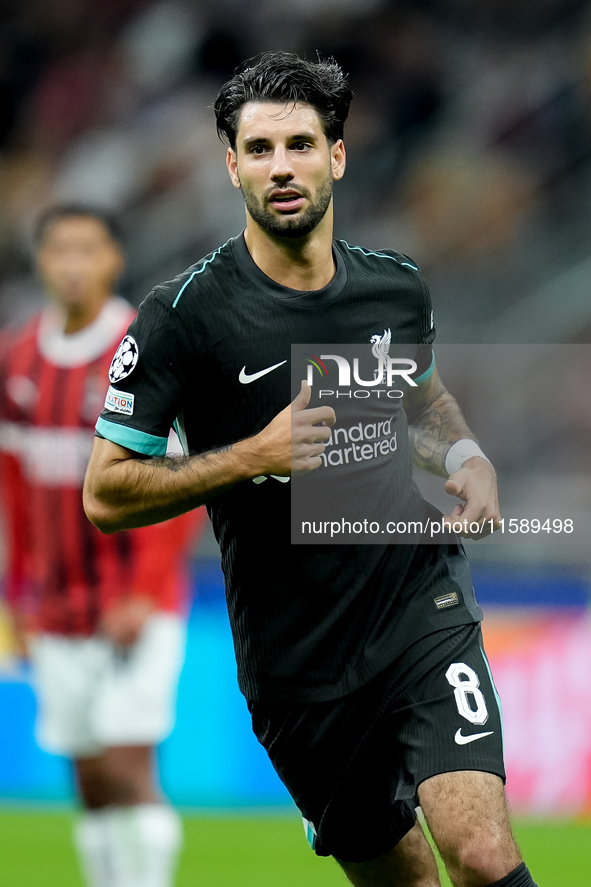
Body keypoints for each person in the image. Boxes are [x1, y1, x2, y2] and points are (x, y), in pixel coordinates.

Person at [83, 53, 538, 887]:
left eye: (299, 143)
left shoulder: (392, 289)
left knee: (477, 851)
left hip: (415, 604)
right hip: (297, 664)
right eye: (258, 149)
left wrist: (465, 455)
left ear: (336, 153)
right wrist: (252, 455)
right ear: (231, 166)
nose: (280, 166)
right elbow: (105, 491)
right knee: (403, 878)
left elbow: (420, 399)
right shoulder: (182, 318)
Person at [0, 205, 206, 887]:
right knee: (88, 777)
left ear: (113, 260)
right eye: (59, 249)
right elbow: (14, 485)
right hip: (56, 605)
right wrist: (19, 594)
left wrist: (144, 590)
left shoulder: (142, 347)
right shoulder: (18, 357)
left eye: (87, 249)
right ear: (42, 260)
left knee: (126, 764)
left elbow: (180, 482)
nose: (72, 263)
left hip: (133, 602)